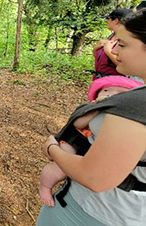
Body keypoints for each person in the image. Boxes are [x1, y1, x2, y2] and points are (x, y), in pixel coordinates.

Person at [38, 9, 146, 225]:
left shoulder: (137, 106)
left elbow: (95, 177)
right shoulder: (136, 97)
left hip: (93, 212)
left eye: (123, 45)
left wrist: (52, 149)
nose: (114, 50)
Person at [39, 75, 143, 207]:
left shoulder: (127, 116)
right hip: (75, 141)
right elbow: (78, 122)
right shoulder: (91, 107)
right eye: (107, 90)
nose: (112, 94)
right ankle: (45, 187)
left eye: (120, 94)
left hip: (96, 154)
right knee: (60, 168)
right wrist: (97, 109)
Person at [92, 8, 132, 80]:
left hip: (115, 84)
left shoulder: (127, 40)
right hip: (99, 80)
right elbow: (101, 61)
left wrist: (108, 51)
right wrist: (96, 48)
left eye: (109, 19)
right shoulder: (111, 37)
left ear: (116, 21)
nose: (107, 21)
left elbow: (127, 68)